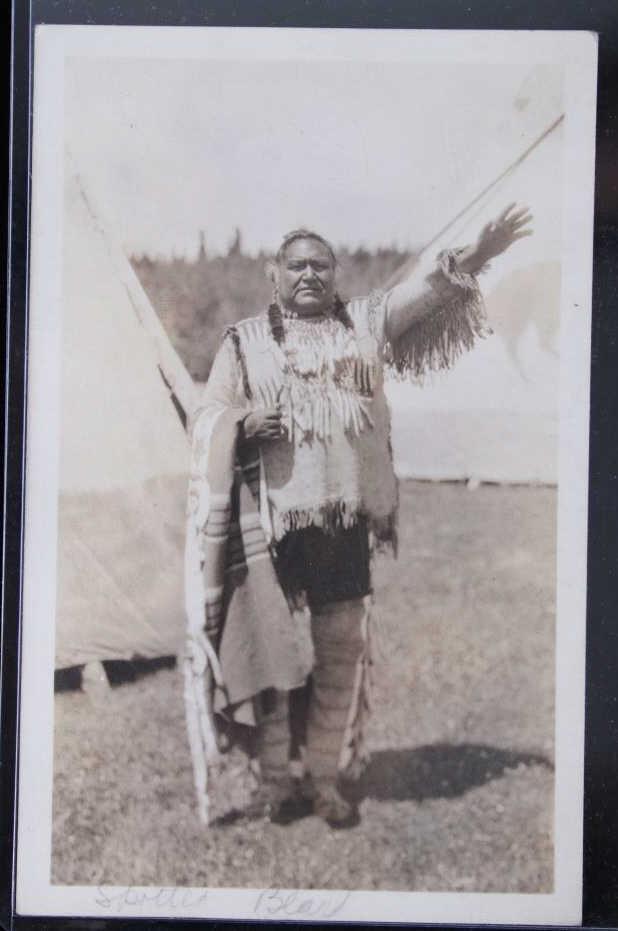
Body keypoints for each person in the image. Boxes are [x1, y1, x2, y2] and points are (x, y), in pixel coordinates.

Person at [183, 204, 533, 827]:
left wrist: (478, 255)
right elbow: (205, 413)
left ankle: (324, 777)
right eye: (297, 265)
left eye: (321, 265)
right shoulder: (243, 341)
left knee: (340, 650)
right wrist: (241, 424)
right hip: (270, 526)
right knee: (268, 653)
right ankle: (274, 780)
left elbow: (427, 294)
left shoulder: (366, 322)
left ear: (337, 274)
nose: (309, 275)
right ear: (274, 274)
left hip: (343, 523)